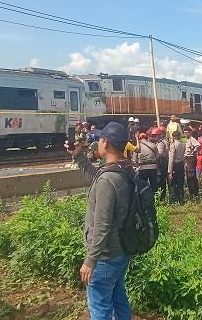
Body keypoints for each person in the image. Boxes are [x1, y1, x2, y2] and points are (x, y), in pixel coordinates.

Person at [70, 121, 135, 320]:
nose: (97, 142)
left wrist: (91, 260)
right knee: (118, 299)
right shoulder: (124, 168)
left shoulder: (108, 179)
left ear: (105, 143)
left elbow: (102, 224)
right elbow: (99, 178)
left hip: (105, 257)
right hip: (121, 250)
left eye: (99, 139)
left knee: (100, 310)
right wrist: (78, 156)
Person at [167, 131, 187, 204]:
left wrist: (169, 171)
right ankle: (181, 199)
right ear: (179, 136)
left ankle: (173, 200)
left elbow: (171, 159)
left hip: (174, 165)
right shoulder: (183, 144)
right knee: (180, 182)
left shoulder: (173, 145)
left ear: (173, 137)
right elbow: (184, 157)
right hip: (180, 164)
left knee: (172, 183)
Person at [183, 127, 201, 197]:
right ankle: (192, 191)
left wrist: (194, 151)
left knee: (191, 175)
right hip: (185, 158)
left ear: (190, 133)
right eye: (185, 132)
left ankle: (194, 192)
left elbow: (198, 145)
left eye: (187, 132)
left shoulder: (192, 139)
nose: (186, 134)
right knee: (188, 175)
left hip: (190, 158)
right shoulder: (184, 139)